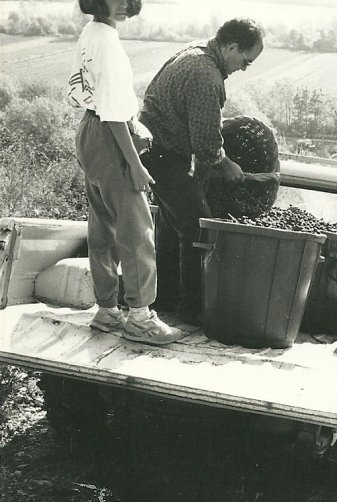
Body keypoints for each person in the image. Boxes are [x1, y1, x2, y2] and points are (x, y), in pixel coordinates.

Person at [67, 0, 183, 345]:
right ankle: (140, 318)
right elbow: (114, 112)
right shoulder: (108, 42)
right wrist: (135, 164)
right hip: (109, 134)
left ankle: (107, 310)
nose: (120, 4)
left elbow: (86, 93)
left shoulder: (91, 32)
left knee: (102, 225)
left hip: (88, 131)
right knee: (136, 230)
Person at [139, 18, 265, 323]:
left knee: (174, 227)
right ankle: (191, 309)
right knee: (199, 227)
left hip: (156, 151)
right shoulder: (204, 75)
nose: (244, 68)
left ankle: (164, 299)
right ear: (232, 46)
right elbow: (207, 146)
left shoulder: (196, 51)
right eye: (246, 61)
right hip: (163, 155)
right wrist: (226, 165)